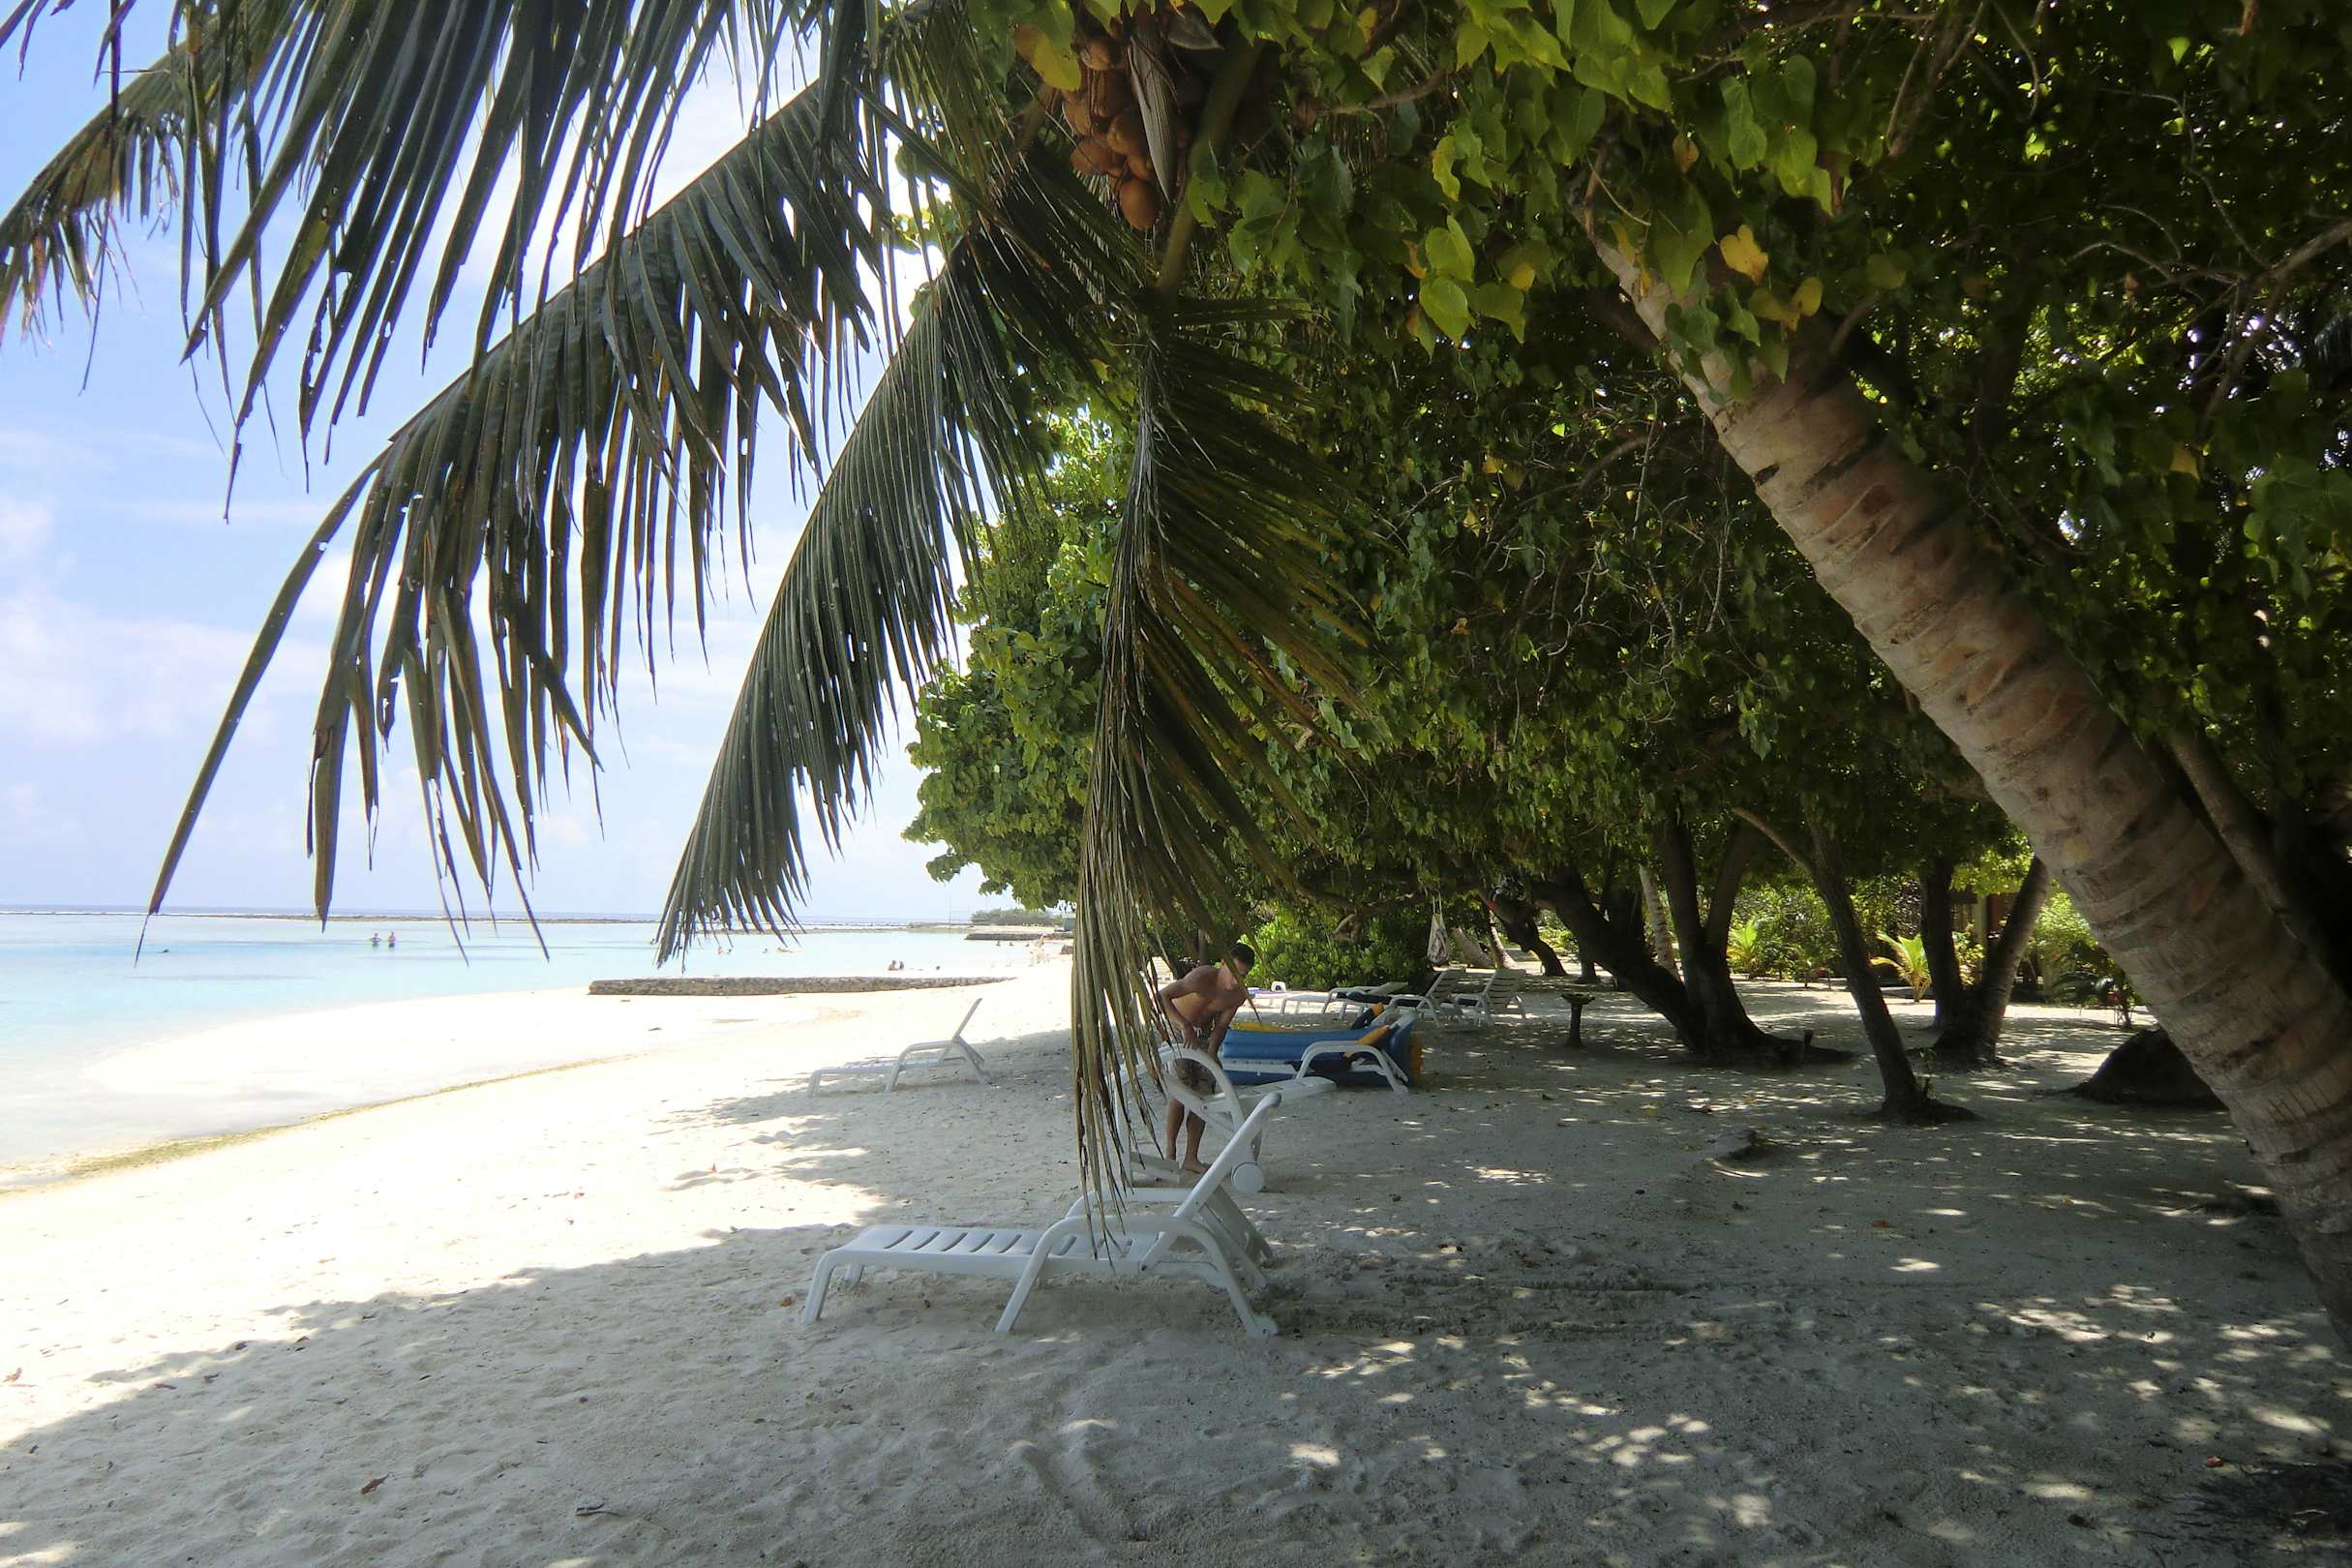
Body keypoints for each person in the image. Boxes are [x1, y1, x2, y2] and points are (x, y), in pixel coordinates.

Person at [1154, 943, 1255, 1175]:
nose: (1235, 981)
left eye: (1242, 976)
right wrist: (1184, 1025)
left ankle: (1191, 1157)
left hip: (1204, 1033)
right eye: (1234, 973)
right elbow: (1162, 997)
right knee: (1181, 1093)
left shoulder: (1238, 994)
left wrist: (1212, 1052)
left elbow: (1221, 1027)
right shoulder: (1202, 978)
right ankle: (1170, 1154)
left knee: (1203, 1095)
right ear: (1223, 964)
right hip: (1176, 1026)